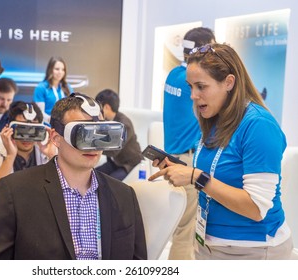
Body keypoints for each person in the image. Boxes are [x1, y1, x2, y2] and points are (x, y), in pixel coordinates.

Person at [150, 43, 293, 260]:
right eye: (190, 87)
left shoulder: (259, 126)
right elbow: (218, 175)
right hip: (208, 245)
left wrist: (195, 177)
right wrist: (183, 171)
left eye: (201, 86)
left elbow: (256, 208)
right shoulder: (214, 119)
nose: (193, 96)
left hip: (252, 251)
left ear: (228, 82)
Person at [0, 93, 147, 260]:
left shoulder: (124, 196)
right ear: (56, 138)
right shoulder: (14, 192)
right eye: (82, 134)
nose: (93, 145)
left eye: (100, 134)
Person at [162, 27, 216, 260]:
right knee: (187, 232)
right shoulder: (192, 83)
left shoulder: (173, 74)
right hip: (187, 161)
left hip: (173, 157)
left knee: (181, 229)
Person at [0, 101, 57, 186]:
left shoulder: (48, 154)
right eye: (21, 130)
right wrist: (10, 157)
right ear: (9, 128)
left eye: (32, 131)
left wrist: (52, 157)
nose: (26, 137)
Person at [95, 89, 143, 181]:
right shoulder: (107, 120)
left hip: (130, 165)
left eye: (98, 108)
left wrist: (93, 147)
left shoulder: (124, 125)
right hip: (115, 162)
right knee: (92, 175)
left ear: (106, 107)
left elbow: (113, 150)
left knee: (109, 182)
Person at [33, 56, 73, 124]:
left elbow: (72, 109)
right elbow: (40, 112)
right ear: (50, 69)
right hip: (47, 127)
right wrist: (53, 121)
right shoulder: (41, 88)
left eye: (63, 69)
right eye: (57, 69)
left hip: (65, 126)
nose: (60, 72)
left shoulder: (68, 87)